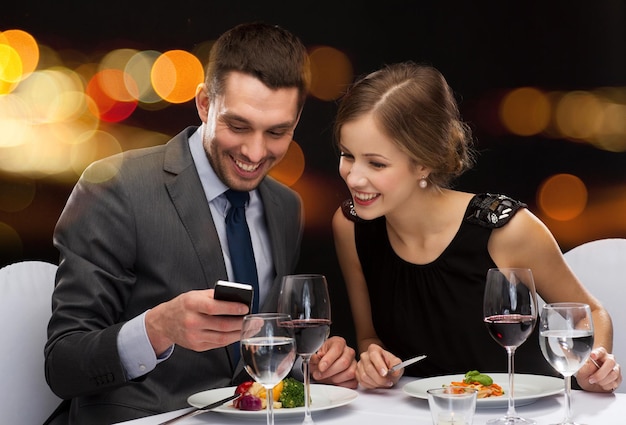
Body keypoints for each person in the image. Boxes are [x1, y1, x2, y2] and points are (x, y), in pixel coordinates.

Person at [45, 22, 357, 425]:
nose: (255, 152)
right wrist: (157, 328)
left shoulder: (286, 206)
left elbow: (257, 350)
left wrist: (308, 367)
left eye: (277, 132)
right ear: (205, 103)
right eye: (239, 125)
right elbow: (63, 364)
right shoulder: (117, 186)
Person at [331, 61, 622, 392]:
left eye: (376, 163)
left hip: (527, 412)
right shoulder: (350, 226)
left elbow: (591, 313)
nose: (353, 177)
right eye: (347, 155)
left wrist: (592, 366)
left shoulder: (505, 230)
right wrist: (374, 360)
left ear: (423, 162)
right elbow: (371, 337)